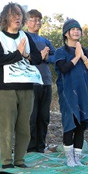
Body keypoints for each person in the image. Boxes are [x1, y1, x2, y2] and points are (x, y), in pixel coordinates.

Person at [0, 2, 42, 169]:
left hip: (26, 86)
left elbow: (37, 59)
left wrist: (25, 54)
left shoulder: (26, 37)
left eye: (20, 15)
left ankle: (20, 159)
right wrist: (17, 54)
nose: (18, 18)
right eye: (14, 15)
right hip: (6, 88)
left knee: (24, 127)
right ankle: (6, 161)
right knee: (6, 127)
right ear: (6, 18)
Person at [55, 19, 88, 167]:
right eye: (73, 29)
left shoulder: (86, 51)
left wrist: (83, 56)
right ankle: (69, 158)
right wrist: (77, 57)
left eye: (78, 29)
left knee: (81, 123)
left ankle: (77, 158)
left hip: (83, 92)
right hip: (68, 93)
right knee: (70, 123)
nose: (76, 32)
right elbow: (63, 69)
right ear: (66, 33)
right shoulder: (61, 51)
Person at [26, 9, 56, 153]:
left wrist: (46, 58)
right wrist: (39, 55)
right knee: (32, 117)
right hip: (30, 82)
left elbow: (56, 57)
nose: (37, 22)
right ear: (26, 22)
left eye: (39, 20)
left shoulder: (44, 40)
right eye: (33, 19)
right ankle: (30, 148)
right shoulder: (23, 38)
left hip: (46, 82)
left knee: (44, 117)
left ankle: (41, 146)